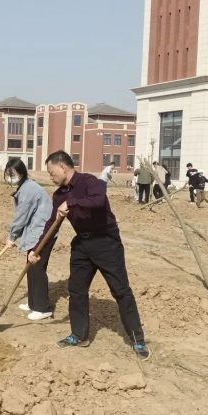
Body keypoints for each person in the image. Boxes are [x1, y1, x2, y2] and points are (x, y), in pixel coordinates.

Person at [29, 150, 149, 361]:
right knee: (76, 290)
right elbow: (51, 224)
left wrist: (72, 203)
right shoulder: (59, 195)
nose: (50, 176)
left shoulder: (88, 181)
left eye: (51, 171)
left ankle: (137, 339)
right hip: (82, 244)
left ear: (62, 167)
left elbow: (98, 200)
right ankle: (78, 335)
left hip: (106, 241)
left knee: (120, 290)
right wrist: (36, 249)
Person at [5, 159, 55, 321]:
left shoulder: (28, 190)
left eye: (13, 174)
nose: (10, 178)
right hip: (36, 231)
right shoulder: (25, 186)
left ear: (22, 173)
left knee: (37, 268)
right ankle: (33, 303)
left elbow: (21, 216)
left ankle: (43, 308)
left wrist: (12, 236)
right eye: (8, 175)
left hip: (44, 232)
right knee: (31, 267)